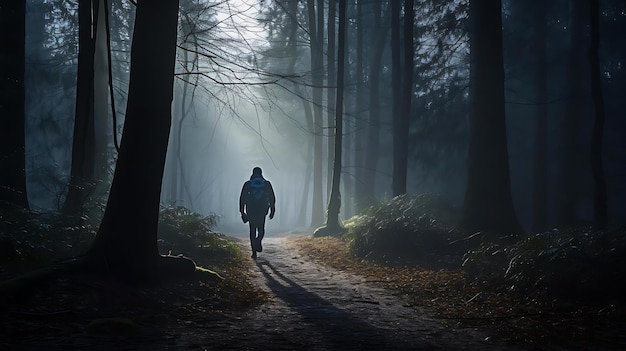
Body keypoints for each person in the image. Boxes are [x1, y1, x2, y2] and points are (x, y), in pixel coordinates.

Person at [239, 167, 276, 259]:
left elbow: (242, 198)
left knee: (252, 229)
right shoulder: (266, 184)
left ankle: (254, 252)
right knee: (261, 228)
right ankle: (258, 240)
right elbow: (272, 197)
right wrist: (272, 210)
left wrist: (242, 212)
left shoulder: (248, 184)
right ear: (261, 173)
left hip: (251, 209)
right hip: (262, 209)